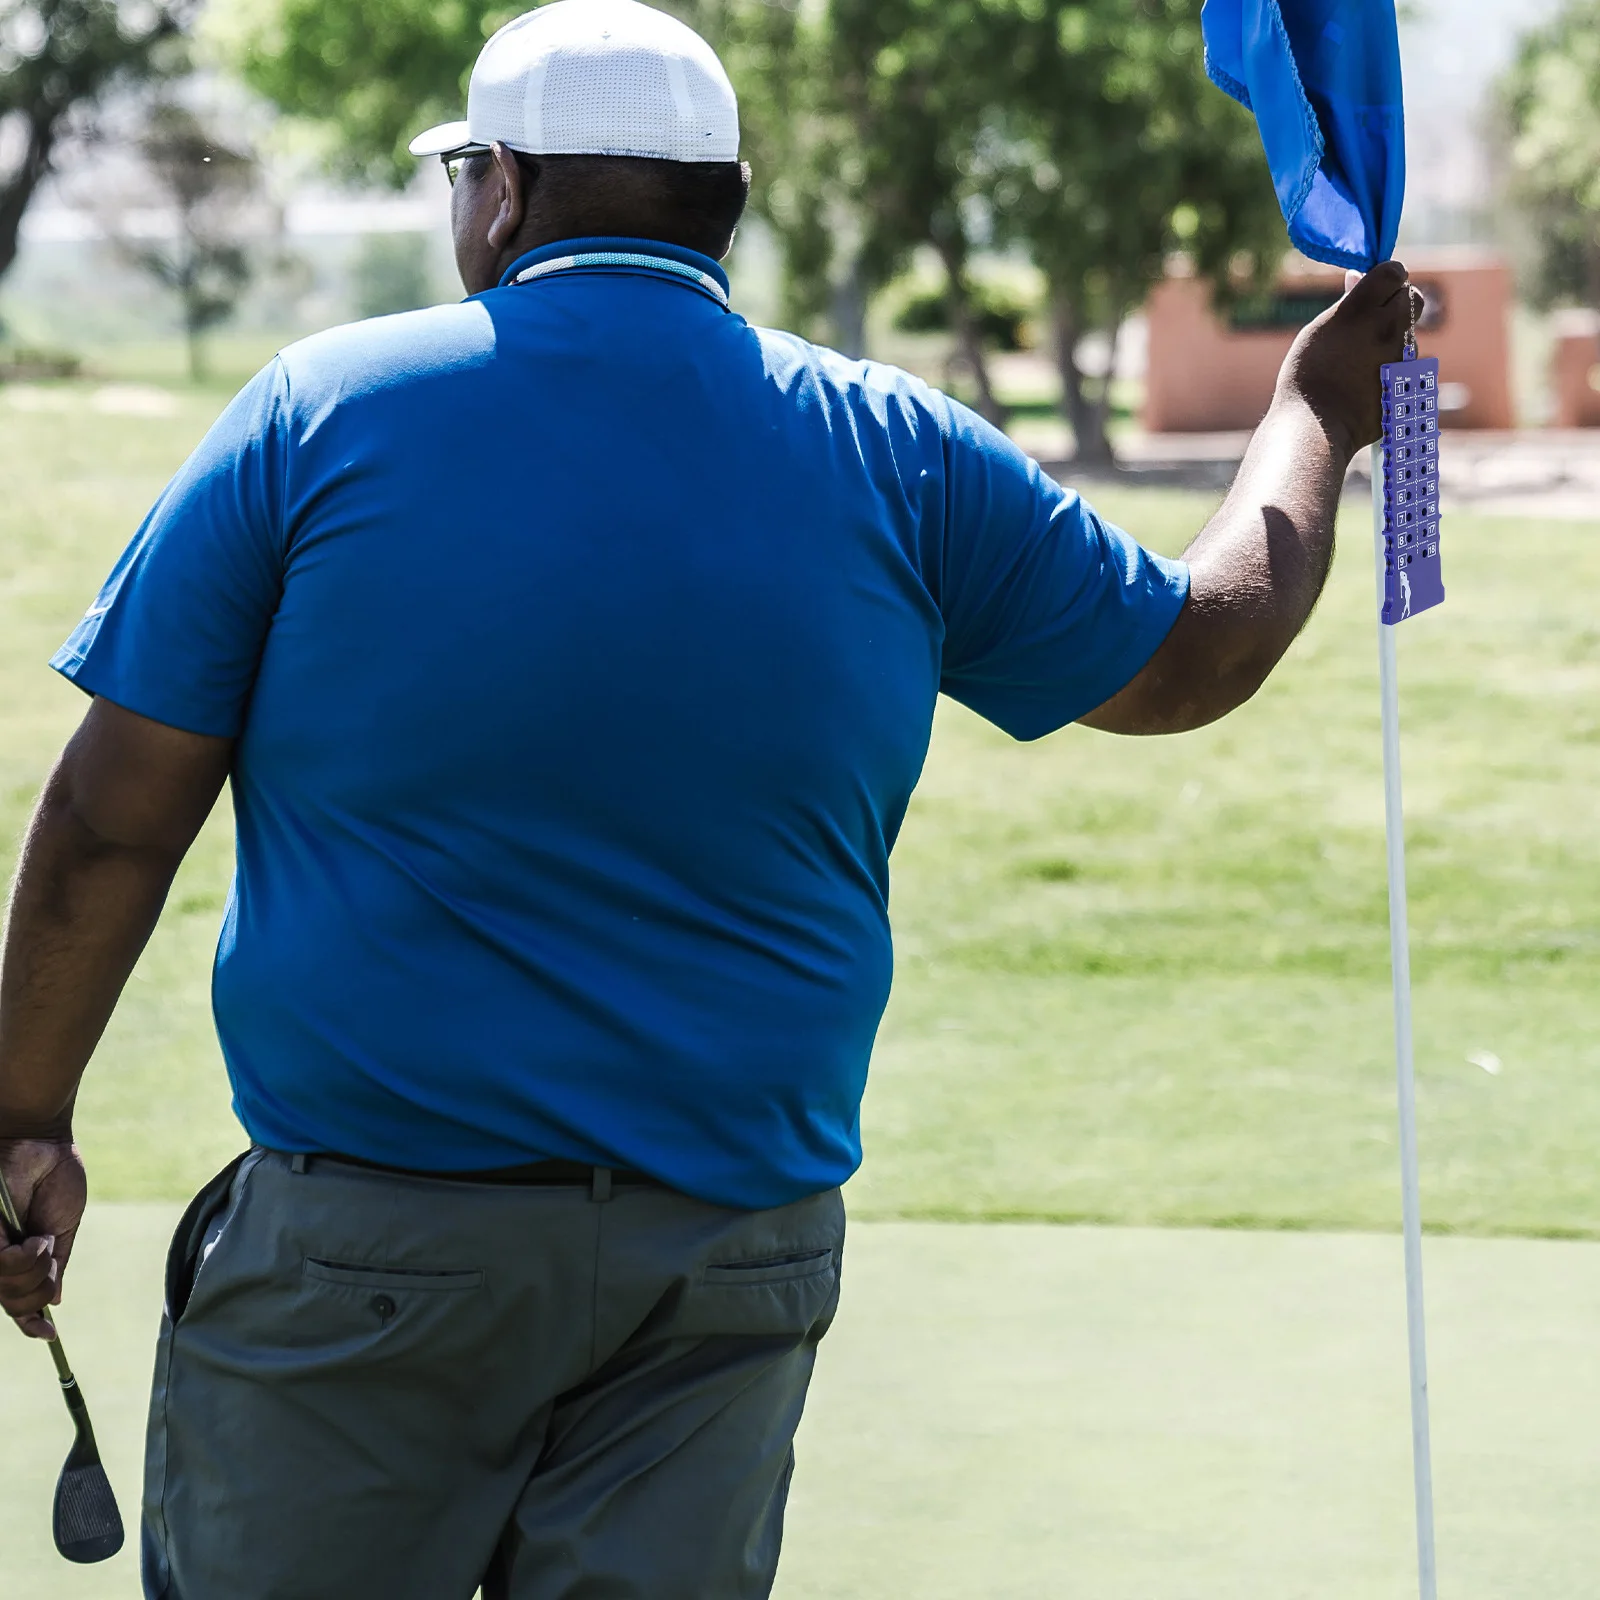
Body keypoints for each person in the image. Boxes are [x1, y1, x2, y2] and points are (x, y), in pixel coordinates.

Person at [0, 2, 1421, 1595]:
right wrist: (1315, 411)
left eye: (466, 175)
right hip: (730, 1262)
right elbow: (1190, 656)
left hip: (374, 1249)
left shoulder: (318, 411)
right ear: (726, 205)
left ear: (506, 191)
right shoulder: (893, 445)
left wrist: (24, 1115)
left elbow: (113, 819)